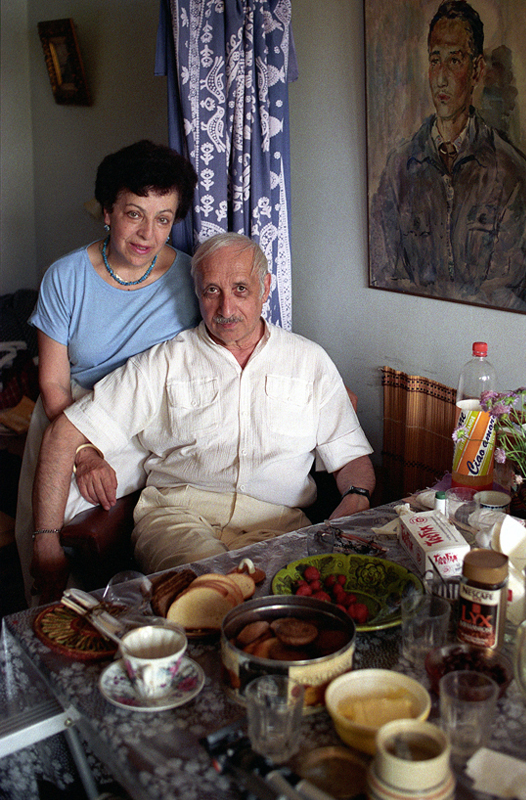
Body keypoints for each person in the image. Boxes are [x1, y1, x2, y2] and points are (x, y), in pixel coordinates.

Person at [31, 233, 375, 603]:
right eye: (212, 291)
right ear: (197, 292)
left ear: (265, 287)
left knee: (286, 604)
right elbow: (61, 436)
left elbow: (351, 457)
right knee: (213, 594)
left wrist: (355, 498)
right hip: (178, 519)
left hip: (279, 525)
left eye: (240, 289)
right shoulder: (164, 362)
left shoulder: (309, 361)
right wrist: (45, 543)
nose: (226, 308)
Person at [16, 140, 199, 603]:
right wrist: (84, 454)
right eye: (134, 214)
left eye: (163, 219)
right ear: (107, 212)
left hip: (145, 419)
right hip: (70, 415)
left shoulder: (192, 278)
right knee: (53, 543)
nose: (147, 234)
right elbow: (52, 382)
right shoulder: (65, 277)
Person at [369, 0, 526, 313]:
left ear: (477, 70)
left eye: (454, 60)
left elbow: (511, 291)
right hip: (409, 325)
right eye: (435, 60)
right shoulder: (399, 168)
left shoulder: (510, 172)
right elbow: (381, 274)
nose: (442, 77)